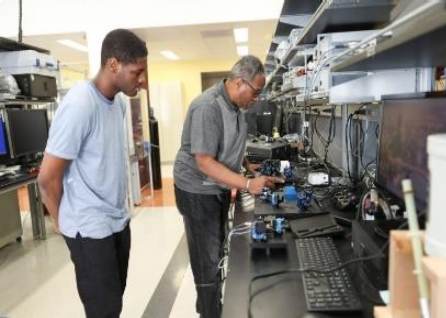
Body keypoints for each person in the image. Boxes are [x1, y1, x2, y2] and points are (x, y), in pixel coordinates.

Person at [37, 29, 147, 318]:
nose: (143, 80)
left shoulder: (119, 104)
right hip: (89, 228)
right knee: (103, 310)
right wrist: (66, 227)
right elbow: (47, 178)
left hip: (117, 221)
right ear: (113, 65)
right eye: (137, 72)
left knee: (114, 303)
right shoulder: (80, 104)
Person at [173, 55, 280, 318]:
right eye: (255, 91)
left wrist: (247, 167)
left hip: (216, 186)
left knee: (217, 249)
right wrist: (246, 183)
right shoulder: (207, 107)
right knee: (207, 260)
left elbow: (232, 141)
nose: (257, 98)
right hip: (197, 189)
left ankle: (210, 305)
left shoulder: (236, 107)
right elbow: (205, 162)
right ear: (240, 82)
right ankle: (209, 312)